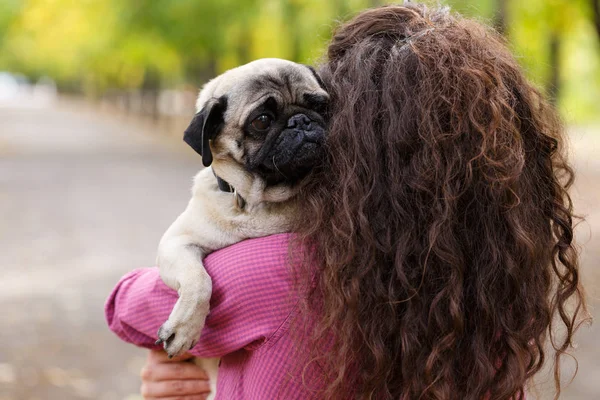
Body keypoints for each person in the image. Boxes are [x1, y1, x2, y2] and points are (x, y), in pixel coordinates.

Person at [105, 3, 588, 399]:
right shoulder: (488, 282)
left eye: (320, 110)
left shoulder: (277, 269)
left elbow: (127, 307)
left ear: (360, 141)